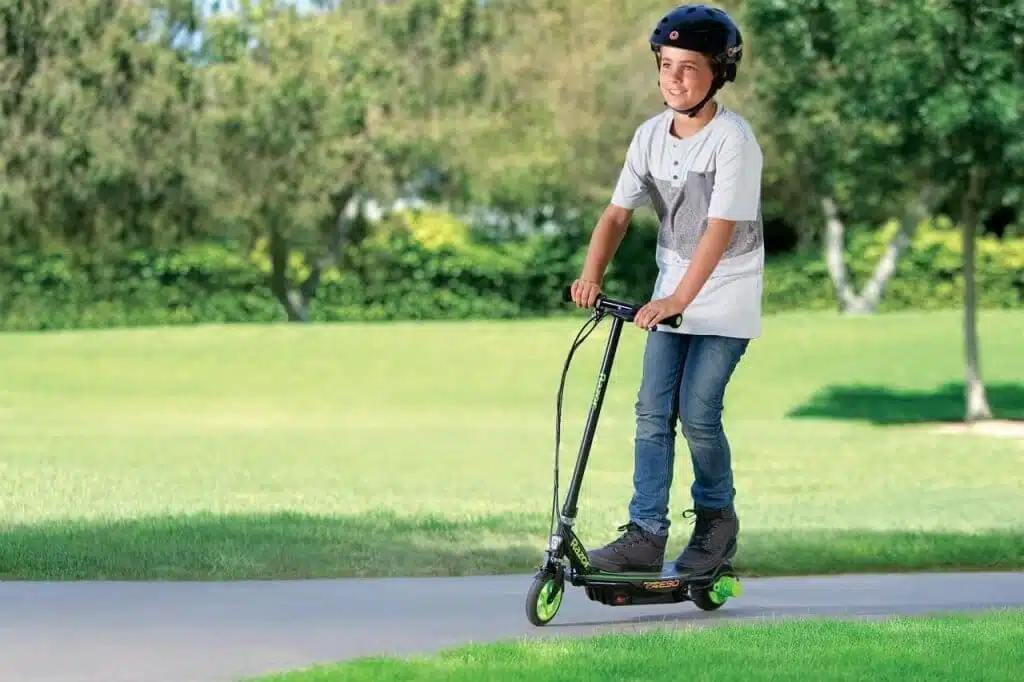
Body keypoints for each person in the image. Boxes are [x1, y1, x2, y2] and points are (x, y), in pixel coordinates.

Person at [568, 4, 764, 576]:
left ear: (719, 73)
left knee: (697, 413)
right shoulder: (650, 136)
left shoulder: (733, 142)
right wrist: (591, 276)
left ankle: (714, 521)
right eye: (666, 65)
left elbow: (718, 231)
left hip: (724, 299)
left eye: (689, 67)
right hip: (670, 297)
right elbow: (615, 216)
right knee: (652, 413)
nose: (674, 78)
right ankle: (646, 534)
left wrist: (680, 300)